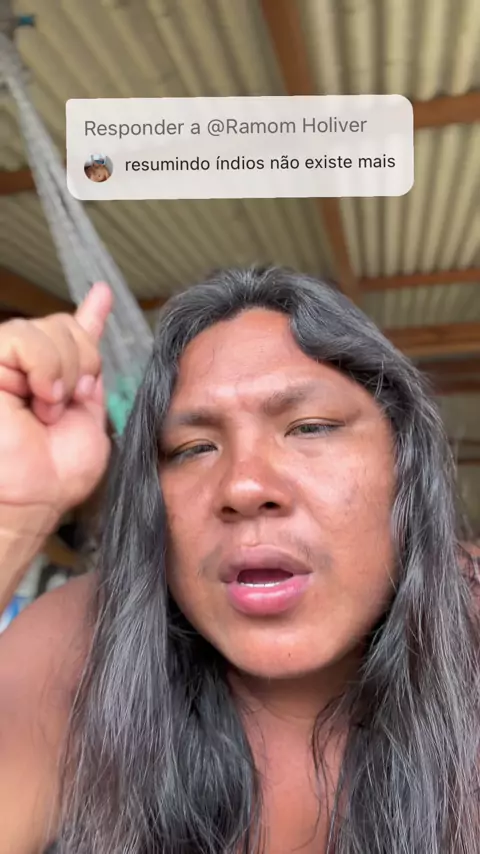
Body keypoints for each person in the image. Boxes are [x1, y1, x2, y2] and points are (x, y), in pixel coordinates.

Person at [0, 266, 479, 854]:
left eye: (310, 428)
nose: (244, 486)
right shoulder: (77, 646)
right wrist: (9, 518)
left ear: (404, 463)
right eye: (193, 448)